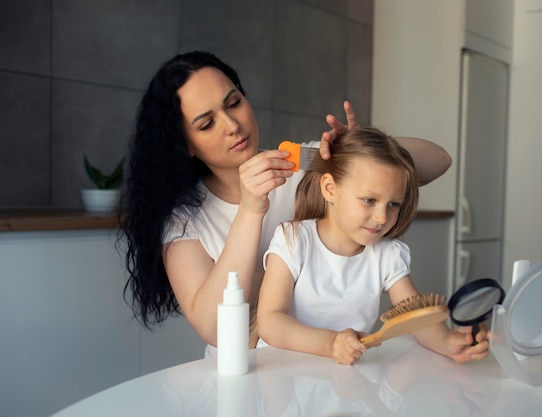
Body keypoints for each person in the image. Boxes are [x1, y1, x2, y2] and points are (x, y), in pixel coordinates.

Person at [119, 50, 452, 355]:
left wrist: (365, 152)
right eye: (207, 124)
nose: (233, 126)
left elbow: (439, 161)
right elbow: (216, 329)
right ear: (185, 145)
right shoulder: (185, 221)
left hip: (334, 360)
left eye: (234, 103)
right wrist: (251, 210)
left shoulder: (301, 163)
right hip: (248, 372)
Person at [256, 127, 489, 365]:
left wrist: (448, 343)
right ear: (330, 189)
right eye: (370, 200)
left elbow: (413, 317)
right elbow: (270, 322)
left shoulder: (387, 254)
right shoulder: (293, 240)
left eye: (393, 204)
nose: (381, 217)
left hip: (345, 380)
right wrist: (330, 344)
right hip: (285, 375)